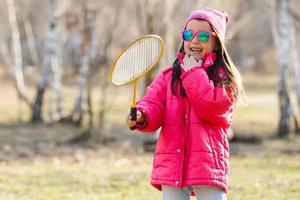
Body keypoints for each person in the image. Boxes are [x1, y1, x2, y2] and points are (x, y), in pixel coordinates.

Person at [126, 7, 245, 200]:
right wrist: (141, 115)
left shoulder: (224, 79)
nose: (194, 41)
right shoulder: (168, 77)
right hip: (172, 161)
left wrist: (193, 74)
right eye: (188, 34)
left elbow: (213, 108)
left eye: (204, 36)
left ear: (217, 43)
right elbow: (153, 103)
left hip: (207, 164)